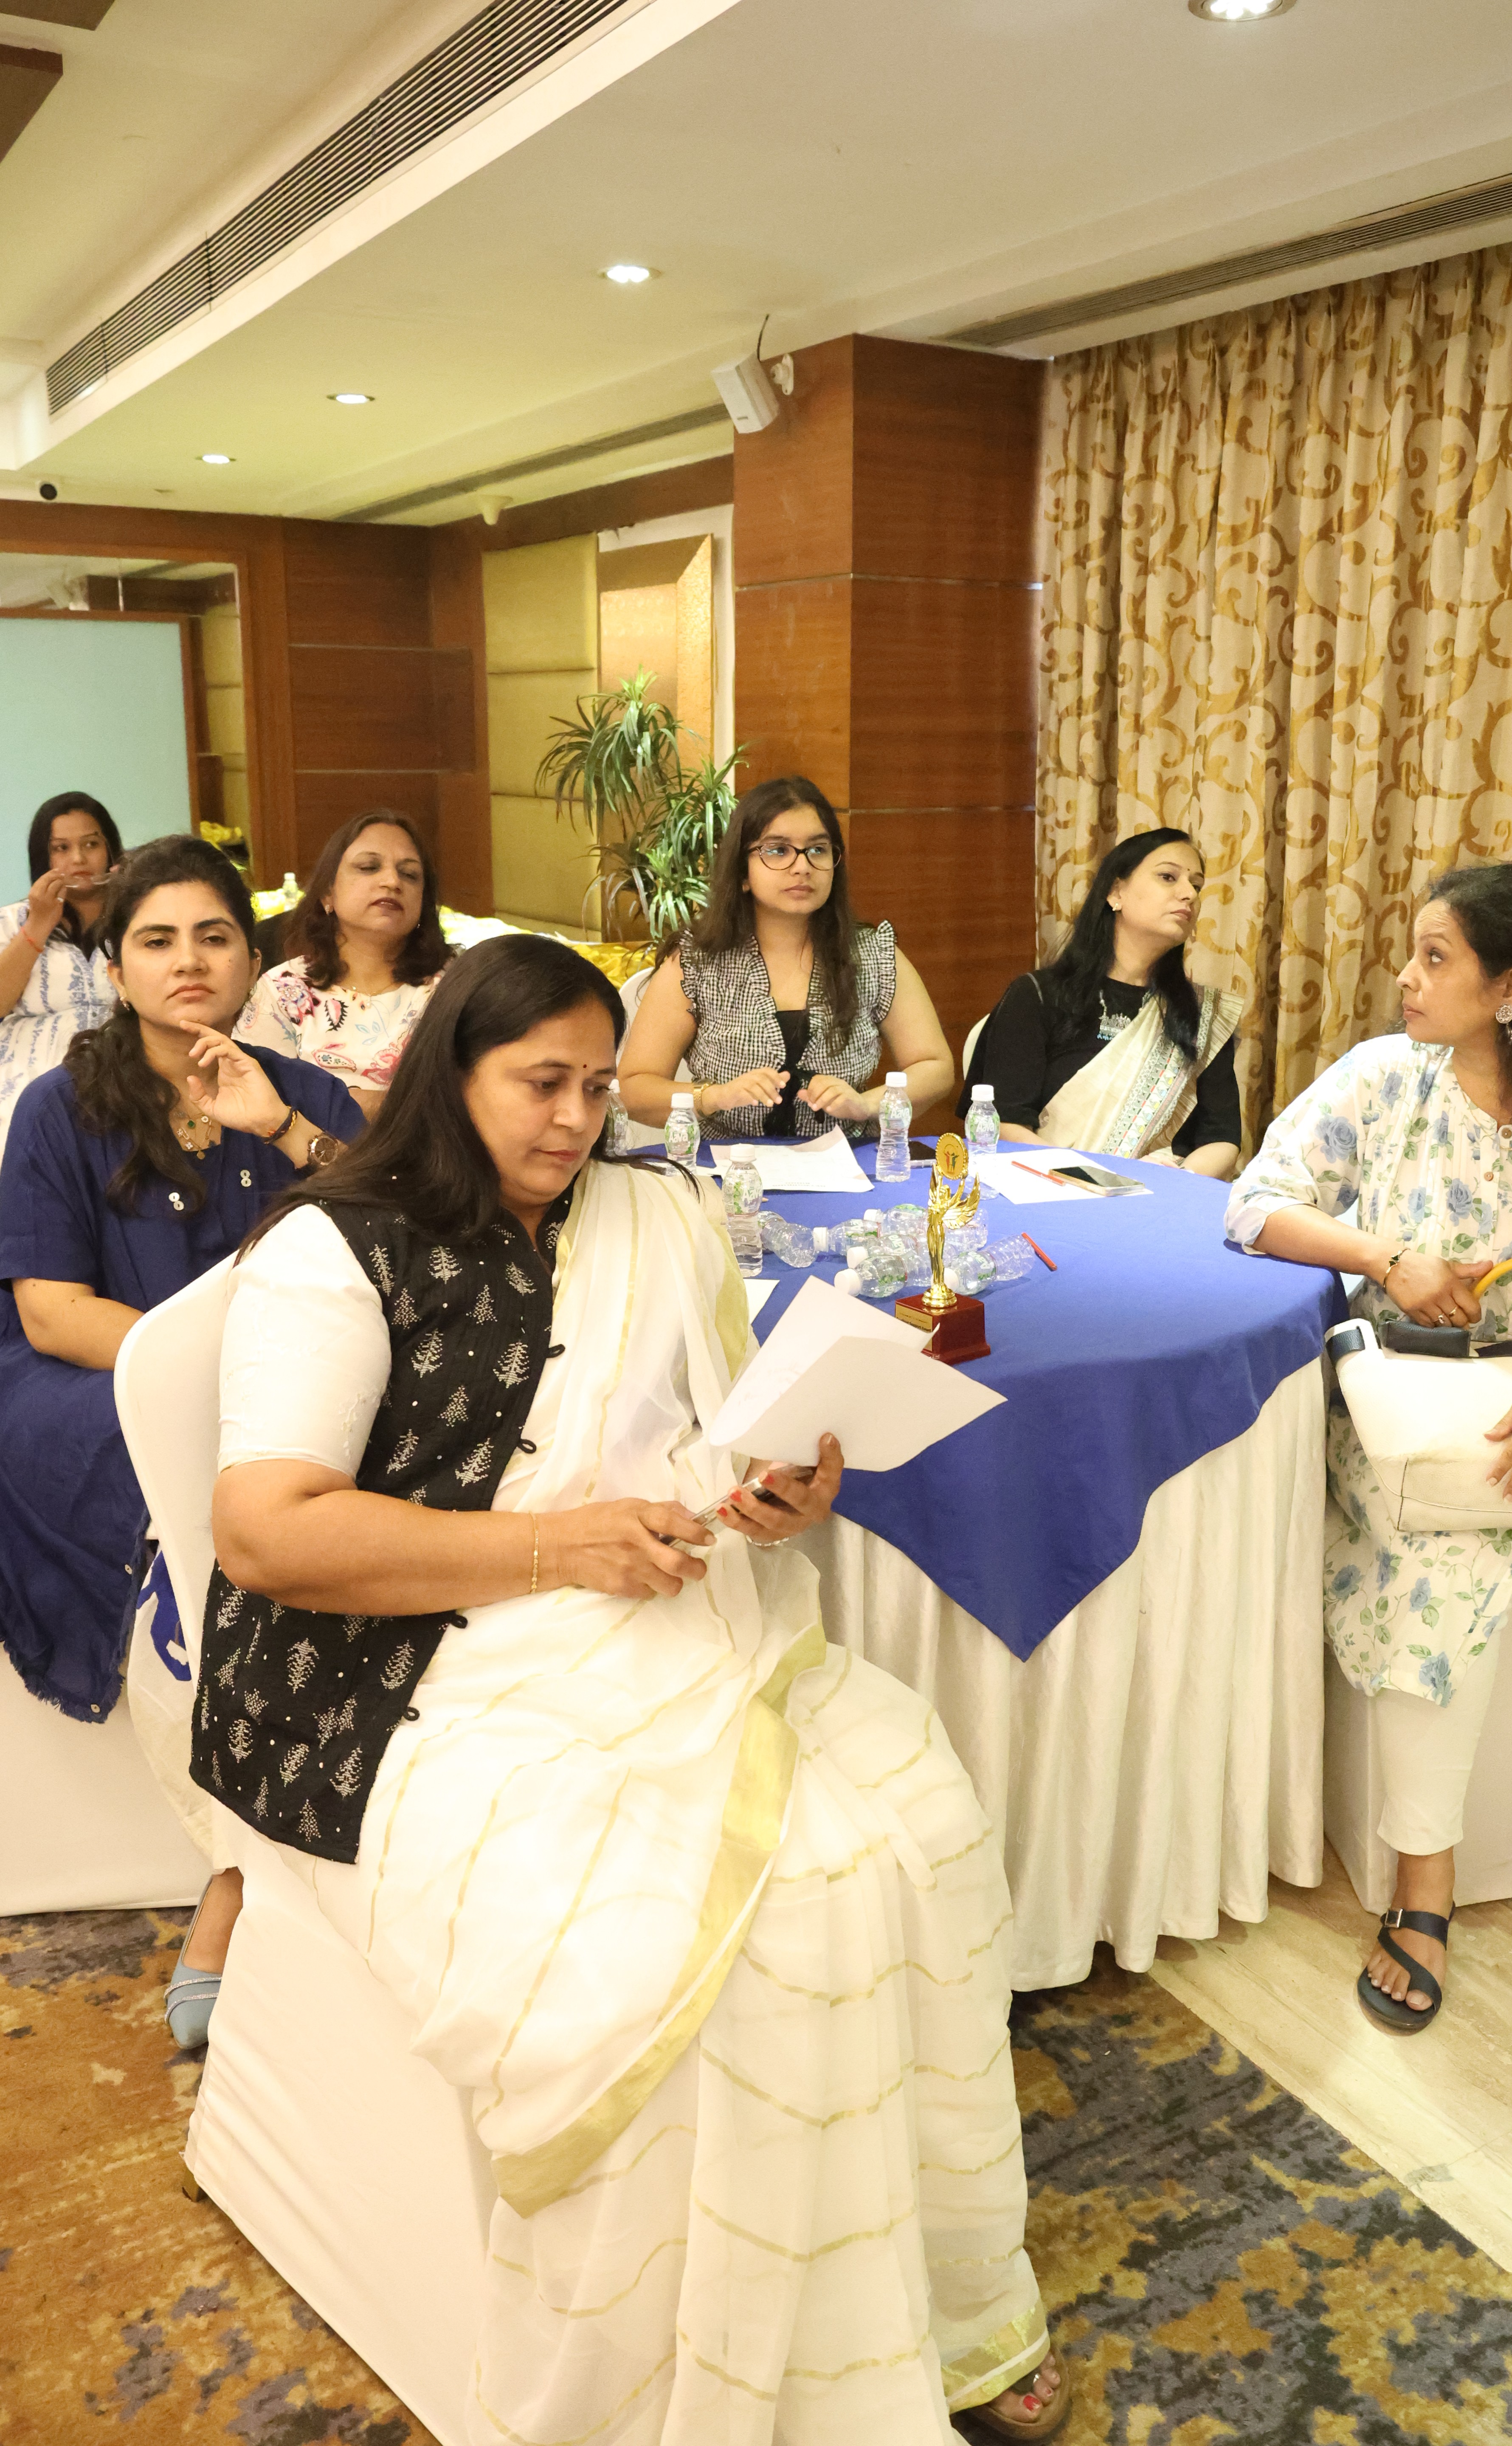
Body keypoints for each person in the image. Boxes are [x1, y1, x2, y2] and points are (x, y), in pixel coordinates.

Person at [193, 934, 1069, 2443]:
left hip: (657, 1615)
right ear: (446, 1073)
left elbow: (707, 1434)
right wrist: (551, 1546)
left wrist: (779, 1485)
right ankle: (683, 2378)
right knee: (713, 1936)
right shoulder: (333, 1248)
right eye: (540, 1083)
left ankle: (920, 2304)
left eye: (600, 1085)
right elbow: (266, 1530)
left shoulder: (652, 1216)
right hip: (400, 1677)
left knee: (910, 1824)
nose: (575, 1119)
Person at [1226, 862, 1512, 2029]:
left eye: (1437, 959)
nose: (1407, 979)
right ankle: (1422, 1885)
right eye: (1414, 954)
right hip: (1421, 1425)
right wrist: (1387, 1261)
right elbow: (1252, 1204)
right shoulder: (1385, 1085)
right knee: (1437, 1579)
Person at [0, 833, 365, 1734]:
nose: (189, 961)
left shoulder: (304, 1096)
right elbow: (52, 1313)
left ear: (252, 957)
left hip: (297, 1368)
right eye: (157, 942)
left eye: (214, 936)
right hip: (104, 1371)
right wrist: (216, 1375)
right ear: (118, 973)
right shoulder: (59, 1107)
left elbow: (391, 1239)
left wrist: (279, 1128)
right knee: (145, 1442)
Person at [618, 774, 955, 1141]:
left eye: (818, 850)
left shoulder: (873, 955)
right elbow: (635, 1090)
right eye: (778, 850)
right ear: (743, 872)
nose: (802, 866)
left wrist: (868, 1104)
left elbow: (935, 1068)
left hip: (846, 1163)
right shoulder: (698, 962)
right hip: (728, 1167)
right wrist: (714, 1096)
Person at [966, 828, 1241, 1175]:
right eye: (1168, 877)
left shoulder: (1201, 1015)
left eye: (1197, 886)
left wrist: (1169, 1193)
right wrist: (1088, 1183)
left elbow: (1221, 1138)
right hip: (1048, 1188)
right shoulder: (1037, 995)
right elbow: (1005, 1124)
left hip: (1160, 1198)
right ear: (1116, 892)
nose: (1189, 894)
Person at [235, 807, 451, 1116]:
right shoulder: (283, 992)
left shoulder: (454, 986)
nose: (392, 881)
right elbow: (258, 1105)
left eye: (410, 874)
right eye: (368, 867)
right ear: (327, 894)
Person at [0, 792, 125, 1160]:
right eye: (61, 848)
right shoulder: (10, 922)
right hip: (22, 1082)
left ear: (111, 851)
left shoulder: (140, 919)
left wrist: (132, 899)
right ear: (44, 858)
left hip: (122, 1075)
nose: (79, 859)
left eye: (91, 844)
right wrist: (38, 925)